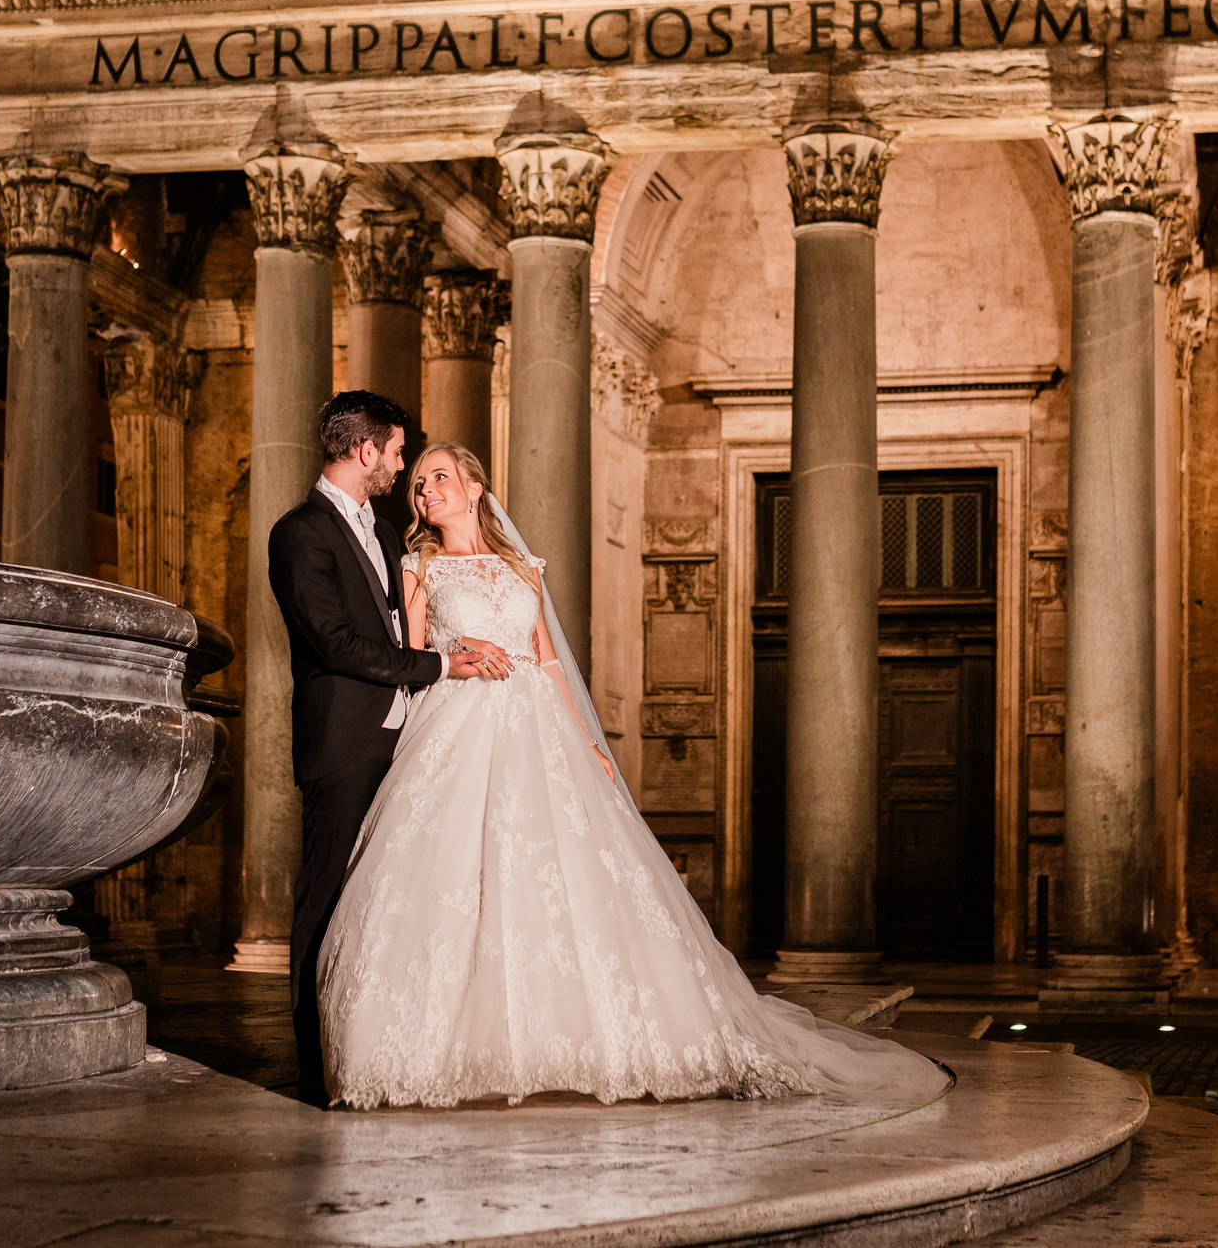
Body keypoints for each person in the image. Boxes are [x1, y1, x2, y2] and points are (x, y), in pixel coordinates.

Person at [315, 441, 952, 1111]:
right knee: (457, 879)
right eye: (417, 483)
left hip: (539, 733)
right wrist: (459, 649)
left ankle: (584, 1034)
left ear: (476, 487)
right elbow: (414, 658)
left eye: (438, 477)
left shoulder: (525, 568)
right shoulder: (421, 567)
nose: (424, 490)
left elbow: (551, 663)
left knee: (560, 876)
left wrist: (588, 741)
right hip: (457, 726)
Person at [267, 391, 511, 1107]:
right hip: (343, 743)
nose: (403, 466)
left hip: (408, 739)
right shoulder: (299, 532)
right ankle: (316, 1069)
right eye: (398, 452)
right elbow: (333, 642)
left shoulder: (376, 525)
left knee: (383, 904)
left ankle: (374, 1044)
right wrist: (443, 666)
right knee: (326, 899)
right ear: (366, 450)